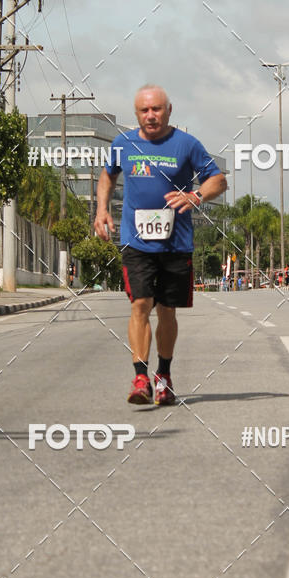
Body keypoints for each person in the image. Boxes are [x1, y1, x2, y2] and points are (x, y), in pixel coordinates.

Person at [94, 85, 227, 405]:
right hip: (136, 241)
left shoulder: (187, 144)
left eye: (156, 109)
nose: (150, 116)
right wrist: (101, 210)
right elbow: (107, 175)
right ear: (136, 113)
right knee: (140, 304)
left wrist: (196, 195)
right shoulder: (123, 143)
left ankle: (163, 375)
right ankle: (140, 377)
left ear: (169, 110)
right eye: (144, 110)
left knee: (167, 311)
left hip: (176, 243)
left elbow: (218, 180)